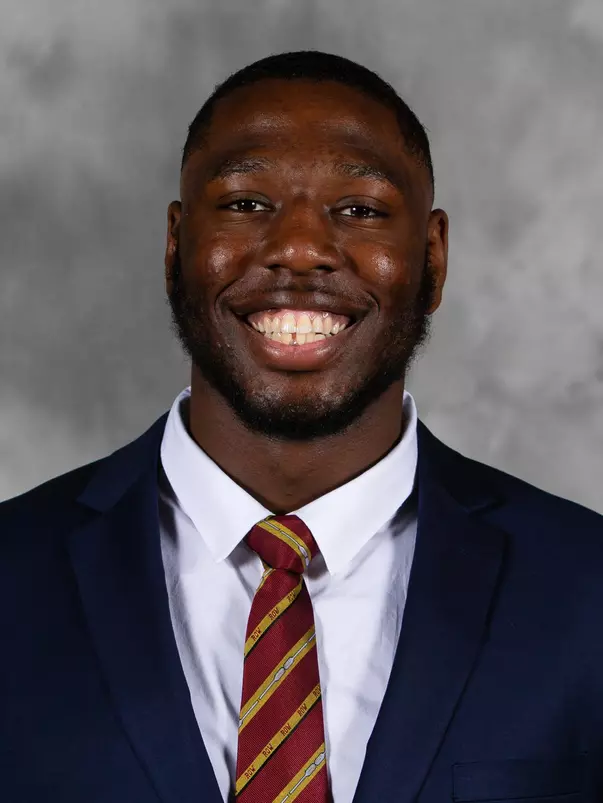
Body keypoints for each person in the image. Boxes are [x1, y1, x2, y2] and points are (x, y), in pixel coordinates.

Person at [1, 50, 602, 803]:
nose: (298, 248)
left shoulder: (587, 594)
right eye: (247, 203)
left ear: (434, 259)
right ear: (174, 249)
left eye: (360, 210)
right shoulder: (11, 576)